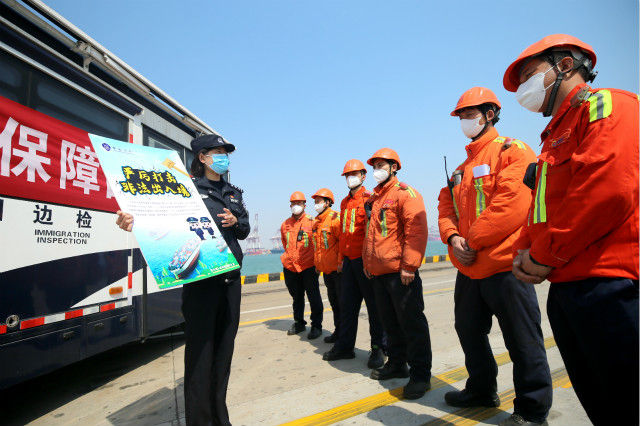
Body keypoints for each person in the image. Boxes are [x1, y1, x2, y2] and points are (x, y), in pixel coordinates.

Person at [504, 34, 639, 426]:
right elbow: (543, 209)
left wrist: (543, 256)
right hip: (568, 288)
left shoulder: (605, 105)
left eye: (529, 75)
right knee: (601, 405)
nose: (524, 90)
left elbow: (606, 193)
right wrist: (524, 252)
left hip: (610, 288)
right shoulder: (551, 138)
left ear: (564, 65)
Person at [116, 134, 249, 426]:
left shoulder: (233, 192)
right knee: (201, 355)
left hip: (230, 281)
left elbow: (244, 230)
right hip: (201, 283)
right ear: (202, 157)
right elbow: (157, 215)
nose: (223, 157)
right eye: (217, 152)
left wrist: (236, 222)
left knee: (224, 353)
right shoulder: (183, 188)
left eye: (226, 153)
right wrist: (131, 220)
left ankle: (219, 418)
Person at [438, 87, 552, 426]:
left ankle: (532, 411)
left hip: (505, 267)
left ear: (490, 114)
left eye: (470, 114)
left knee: (522, 340)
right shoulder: (460, 169)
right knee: (469, 331)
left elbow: (512, 205)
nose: (464, 121)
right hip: (470, 270)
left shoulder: (512, 151)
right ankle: (481, 390)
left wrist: (469, 241)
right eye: (461, 116)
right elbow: (445, 208)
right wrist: (452, 236)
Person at [362, 148, 432, 400]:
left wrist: (410, 265)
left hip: (401, 273)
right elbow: (372, 236)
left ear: (394, 167)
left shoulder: (405, 194)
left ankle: (421, 375)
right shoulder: (375, 199)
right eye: (375, 165)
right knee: (390, 323)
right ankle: (397, 364)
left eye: (381, 165)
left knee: (412, 324)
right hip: (379, 273)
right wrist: (368, 264)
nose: (376, 170)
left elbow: (417, 229)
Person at [322, 159, 385, 370]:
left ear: (363, 176)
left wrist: (369, 260)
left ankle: (378, 349)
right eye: (347, 175)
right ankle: (345, 347)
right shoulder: (343, 203)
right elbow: (342, 235)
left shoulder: (370, 199)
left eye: (354, 174)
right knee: (347, 306)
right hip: (348, 262)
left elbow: (373, 233)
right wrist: (340, 260)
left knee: (375, 308)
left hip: (364, 262)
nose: (350, 178)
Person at [280, 191, 323, 339]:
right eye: (294, 203)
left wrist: (318, 264)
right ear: (290, 205)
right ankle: (299, 323)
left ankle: (317, 325)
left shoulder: (312, 222)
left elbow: (318, 244)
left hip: (308, 266)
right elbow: (285, 243)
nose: (296, 206)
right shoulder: (285, 224)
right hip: (290, 267)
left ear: (304, 205)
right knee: (296, 297)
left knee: (314, 297)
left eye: (299, 203)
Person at [310, 188, 342, 343]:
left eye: (319, 201)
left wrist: (341, 262)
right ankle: (338, 332)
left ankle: (344, 336)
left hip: (338, 270)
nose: (316, 204)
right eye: (315, 202)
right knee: (334, 304)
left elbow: (342, 243)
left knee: (342, 305)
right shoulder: (317, 222)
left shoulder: (335, 218)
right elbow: (318, 247)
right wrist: (317, 265)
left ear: (328, 202)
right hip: (327, 271)